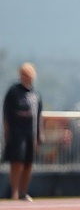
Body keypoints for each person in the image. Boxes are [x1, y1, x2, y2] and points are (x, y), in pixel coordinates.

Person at [3, 63, 43, 201]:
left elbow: (38, 116)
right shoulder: (13, 92)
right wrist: (7, 133)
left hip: (30, 134)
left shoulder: (35, 94)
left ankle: (23, 192)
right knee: (17, 162)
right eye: (23, 75)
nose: (26, 78)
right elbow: (6, 114)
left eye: (28, 75)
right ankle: (14, 192)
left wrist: (39, 135)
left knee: (28, 163)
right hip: (16, 133)